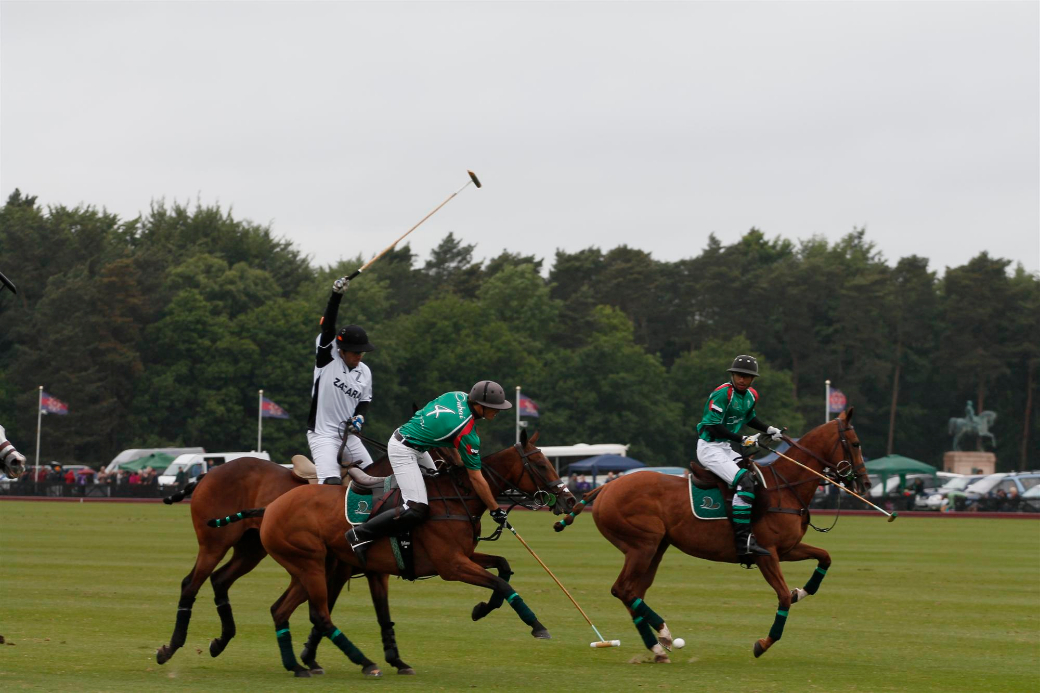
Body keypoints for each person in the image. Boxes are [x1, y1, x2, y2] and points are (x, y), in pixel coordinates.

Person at [345, 381, 513, 567]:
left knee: (435, 492)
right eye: (494, 407)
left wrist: (457, 461)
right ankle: (360, 534)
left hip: (416, 444)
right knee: (416, 507)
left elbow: (445, 433)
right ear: (479, 406)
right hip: (404, 450)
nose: (498, 411)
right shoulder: (467, 432)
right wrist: (495, 509)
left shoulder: (456, 395)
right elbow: (476, 477)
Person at [695, 354, 784, 566]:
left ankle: (746, 529)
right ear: (732, 375)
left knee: (754, 480)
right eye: (739, 375)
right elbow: (713, 426)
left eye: (747, 376)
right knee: (743, 481)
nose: (742, 379)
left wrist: (769, 429)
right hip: (710, 447)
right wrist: (742, 439)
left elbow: (749, 418)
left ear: (753, 379)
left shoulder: (752, 395)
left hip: (726, 447)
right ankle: (743, 541)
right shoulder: (722, 394)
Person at [308, 276, 377, 484]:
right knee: (331, 483)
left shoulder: (365, 372)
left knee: (375, 480)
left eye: (362, 353)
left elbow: (365, 400)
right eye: (355, 353)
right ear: (342, 350)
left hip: (349, 438)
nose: (359, 357)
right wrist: (336, 296)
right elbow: (328, 327)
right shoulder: (328, 359)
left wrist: (359, 418)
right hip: (322, 435)